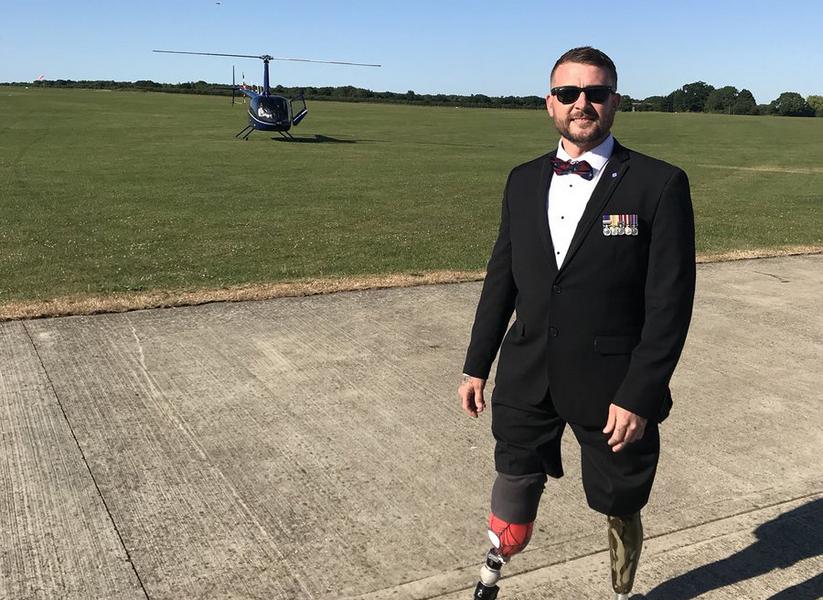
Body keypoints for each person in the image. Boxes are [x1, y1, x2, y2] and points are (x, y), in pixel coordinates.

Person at [458, 46, 695, 600]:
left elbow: (670, 303)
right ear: (550, 103)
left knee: (620, 499)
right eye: (568, 93)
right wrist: (476, 364)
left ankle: (622, 590)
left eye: (596, 93)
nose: (581, 103)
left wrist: (640, 392)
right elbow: (501, 279)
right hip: (528, 371)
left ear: (616, 101)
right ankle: (492, 573)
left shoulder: (659, 184)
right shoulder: (522, 180)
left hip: (612, 385)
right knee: (513, 480)